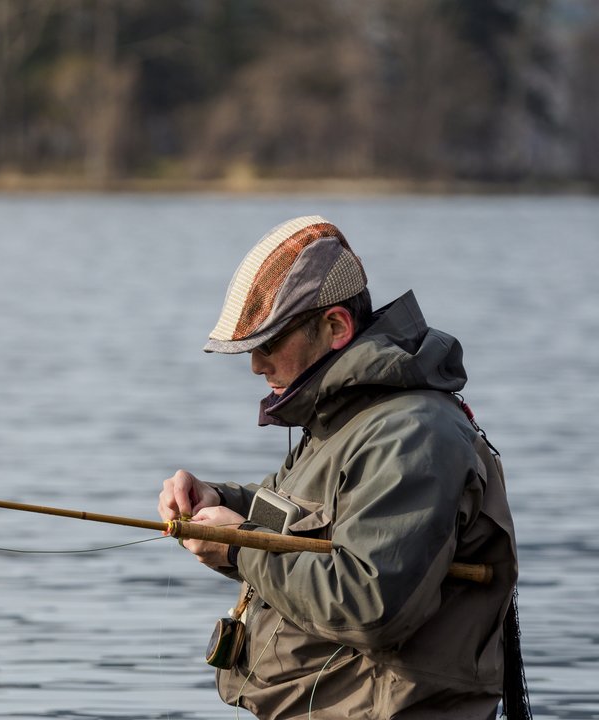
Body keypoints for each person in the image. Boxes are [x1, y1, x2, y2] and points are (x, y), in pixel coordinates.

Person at [158, 216, 522, 719]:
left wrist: (239, 548)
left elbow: (369, 605)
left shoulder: (412, 433)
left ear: (335, 327)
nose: (255, 366)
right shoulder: (345, 421)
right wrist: (218, 503)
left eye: (268, 344)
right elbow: (289, 522)